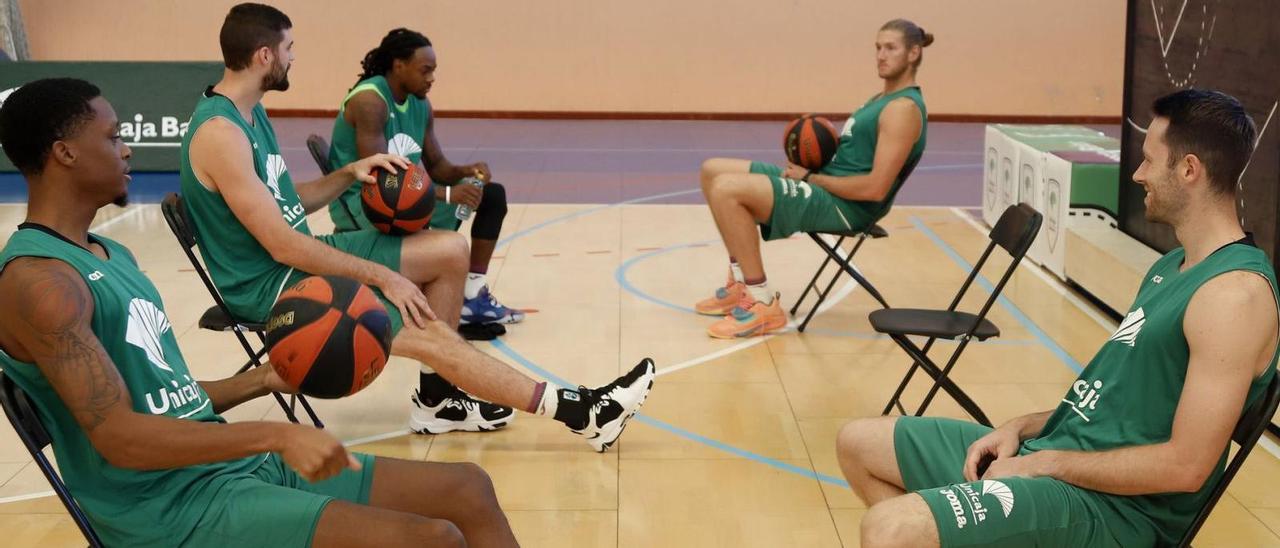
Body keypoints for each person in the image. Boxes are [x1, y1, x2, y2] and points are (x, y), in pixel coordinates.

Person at [0, 77, 517, 548]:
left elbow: (167, 400)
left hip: (222, 464)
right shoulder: (40, 282)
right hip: (167, 508)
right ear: (65, 153)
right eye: (113, 137)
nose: (127, 147)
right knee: (432, 541)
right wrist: (276, 432)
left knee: (467, 488)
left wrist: (264, 379)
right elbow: (119, 436)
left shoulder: (110, 254)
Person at [179, 3, 653, 449]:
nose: (293, 57)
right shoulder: (221, 134)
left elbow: (283, 202)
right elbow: (282, 245)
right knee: (428, 332)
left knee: (449, 250)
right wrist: (385, 277)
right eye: (289, 50)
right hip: (270, 284)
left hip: (297, 256)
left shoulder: (249, 112)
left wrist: (348, 173)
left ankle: (438, 401)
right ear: (265, 56)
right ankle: (586, 413)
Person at [836, 89, 1278, 547]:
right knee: (859, 443)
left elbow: (1186, 467)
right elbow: (1116, 406)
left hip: (1116, 514)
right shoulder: (1174, 265)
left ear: (1189, 170)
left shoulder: (1234, 297)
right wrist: (1020, 428)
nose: (1137, 173)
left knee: (889, 528)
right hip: (1058, 460)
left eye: (1149, 160)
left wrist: (1043, 464)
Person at [695, 18, 931, 338]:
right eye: (877, 47)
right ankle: (739, 283)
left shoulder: (902, 108)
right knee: (713, 170)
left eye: (891, 48)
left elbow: (876, 189)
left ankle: (762, 303)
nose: (880, 55)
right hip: (825, 186)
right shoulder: (880, 100)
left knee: (726, 189)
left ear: (914, 53)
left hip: (847, 207)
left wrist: (811, 179)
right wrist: (812, 164)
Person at [329, 27, 523, 327]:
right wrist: (447, 195)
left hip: (408, 196)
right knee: (441, 249)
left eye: (433, 70)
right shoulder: (370, 101)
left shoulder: (420, 103)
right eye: (425, 70)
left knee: (491, 194)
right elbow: (382, 180)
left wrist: (467, 172)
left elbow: (438, 166)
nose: (431, 78)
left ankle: (471, 296)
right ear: (399, 66)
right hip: (366, 203)